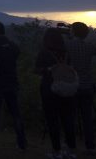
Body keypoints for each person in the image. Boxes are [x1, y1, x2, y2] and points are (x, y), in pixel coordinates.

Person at [35, 27, 77, 159]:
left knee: (53, 121)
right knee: (68, 120)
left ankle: (57, 151)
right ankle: (70, 150)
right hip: (67, 89)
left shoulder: (44, 53)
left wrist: (47, 69)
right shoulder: (66, 52)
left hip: (50, 89)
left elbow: (37, 70)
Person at [0, 21, 27, 150]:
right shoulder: (13, 46)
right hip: (12, 83)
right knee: (16, 115)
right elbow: (17, 53)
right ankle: (22, 143)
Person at [66, 21, 96, 153]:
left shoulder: (67, 45)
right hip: (87, 85)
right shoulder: (90, 46)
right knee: (87, 119)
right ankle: (90, 146)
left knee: (70, 117)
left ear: (73, 31)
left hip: (72, 86)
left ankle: (71, 145)